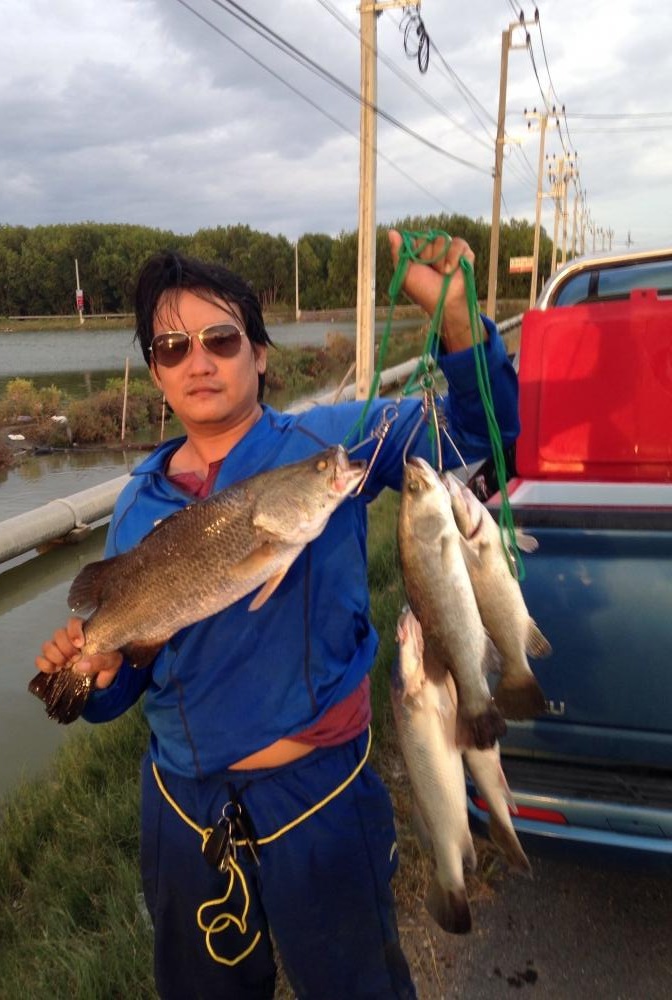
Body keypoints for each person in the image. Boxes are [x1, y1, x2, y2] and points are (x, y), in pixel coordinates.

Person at [34, 230, 519, 999]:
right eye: (171, 348)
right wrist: (92, 675)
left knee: (358, 986)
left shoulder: (332, 444)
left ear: (259, 354)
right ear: (156, 374)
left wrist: (458, 325)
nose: (199, 361)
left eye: (221, 339)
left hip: (319, 797)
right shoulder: (138, 505)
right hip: (183, 812)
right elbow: (132, 681)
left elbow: (477, 446)